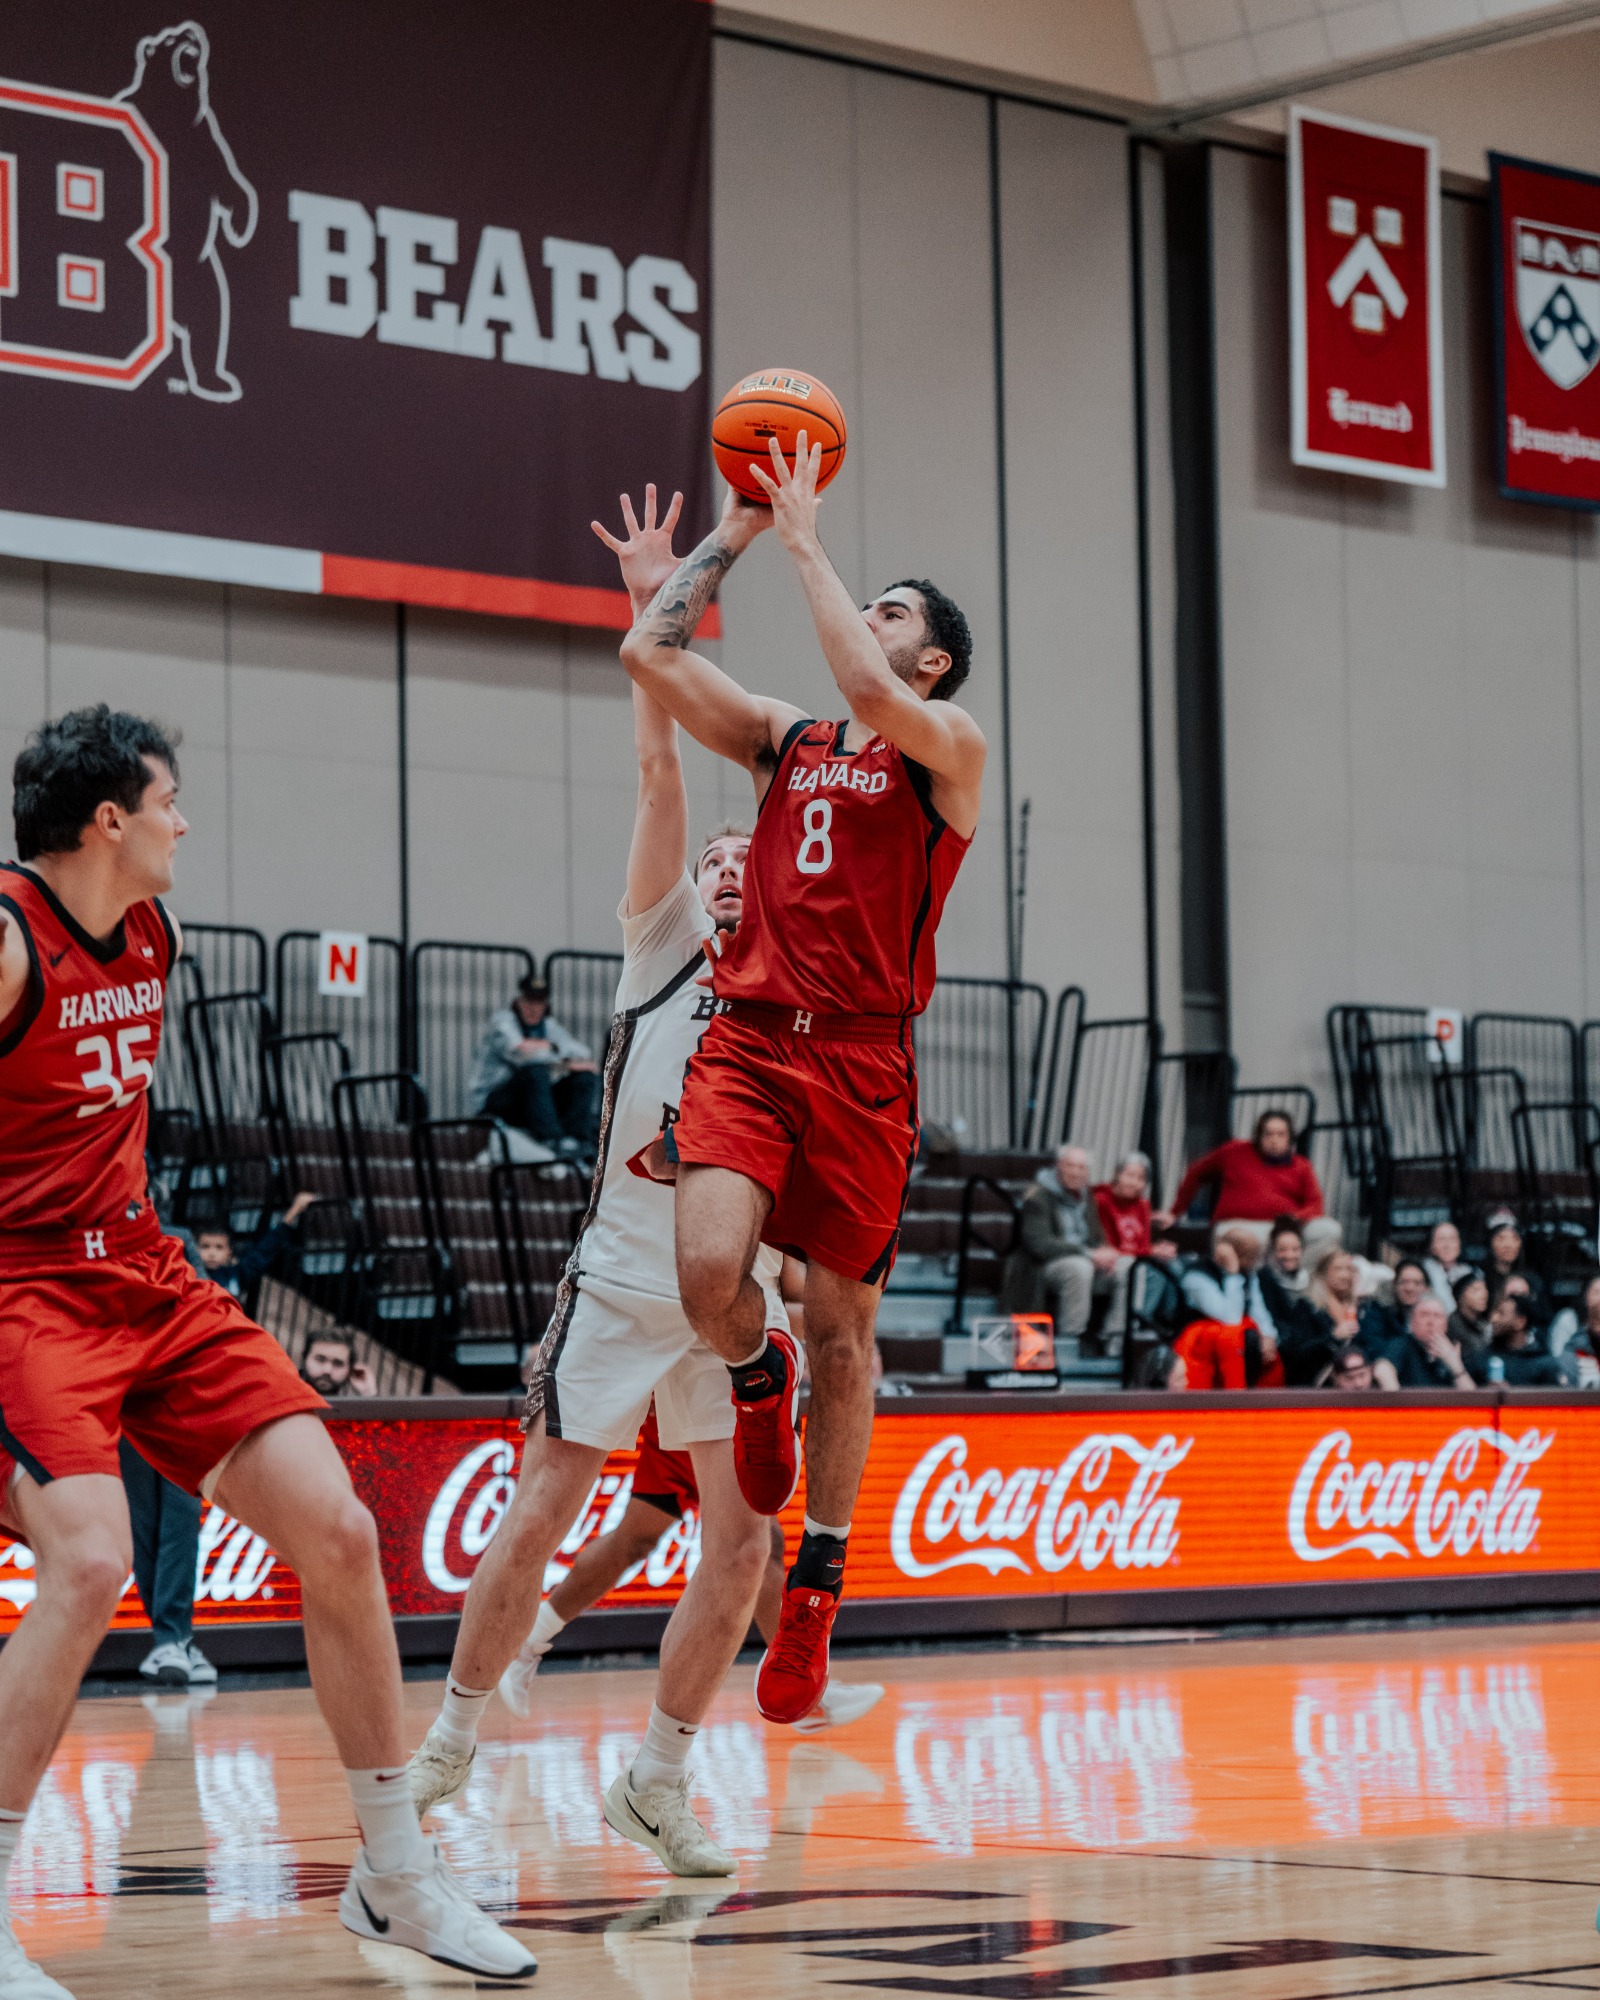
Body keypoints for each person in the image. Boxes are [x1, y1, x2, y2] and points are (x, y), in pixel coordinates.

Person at [0, 706, 532, 1991]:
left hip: (142, 1266)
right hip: (21, 1287)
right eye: (170, 798)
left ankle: (394, 1876)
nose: (188, 820)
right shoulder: (8, 939)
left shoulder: (154, 930)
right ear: (107, 819)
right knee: (88, 1567)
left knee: (342, 1533)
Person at [408, 487, 797, 1876]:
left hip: (740, 1304)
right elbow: (659, 772)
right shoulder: (665, 949)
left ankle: (658, 1778)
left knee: (742, 1542)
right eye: (715, 858)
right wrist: (652, 604)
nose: (727, 863)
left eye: (749, 856)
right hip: (631, 1275)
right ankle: (451, 1727)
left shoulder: (802, 994)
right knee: (545, 1505)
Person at [618, 440, 986, 1726]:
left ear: (930, 658)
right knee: (710, 1278)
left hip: (866, 1063)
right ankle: (753, 1377)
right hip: (759, 1038)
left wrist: (806, 538)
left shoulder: (945, 744)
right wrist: (717, 544)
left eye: (894, 612)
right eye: (864, 599)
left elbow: (866, 693)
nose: (868, 619)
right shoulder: (786, 742)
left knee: (847, 1331)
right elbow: (651, 661)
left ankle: (820, 1579)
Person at [500, 1406, 884, 1740]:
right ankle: (803, 1692)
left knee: (639, 1539)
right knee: (753, 1547)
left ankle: (530, 1642)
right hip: (708, 1403)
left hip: (707, 1403)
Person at [999, 1145, 1118, 1349]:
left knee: (1129, 1267)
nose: (1076, 1172)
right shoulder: (1038, 1197)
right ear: (1058, 1167)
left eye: (1082, 1168)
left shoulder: (1087, 1197)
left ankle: (1116, 1337)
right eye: (1070, 1166)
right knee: (1079, 1268)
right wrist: (1088, 1254)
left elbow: (1097, 1238)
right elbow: (1040, 1245)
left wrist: (1106, 1253)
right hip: (1042, 1266)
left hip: (1084, 1261)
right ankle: (1070, 1340)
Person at [467, 972, 598, 1157]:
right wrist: (560, 1057)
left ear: (545, 1005)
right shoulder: (502, 1021)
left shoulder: (548, 1026)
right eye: (529, 1001)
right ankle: (553, 1140)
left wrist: (550, 1047)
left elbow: (582, 1052)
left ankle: (576, 1141)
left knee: (584, 1077)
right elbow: (521, 1053)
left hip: (529, 1102)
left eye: (539, 1003)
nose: (534, 1008)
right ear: (519, 1001)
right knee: (534, 1072)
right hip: (493, 1102)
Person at [1157, 1110, 1329, 1249]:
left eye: (1280, 1134)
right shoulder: (1234, 1152)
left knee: (1328, 1230)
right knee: (1258, 1242)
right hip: (1239, 1225)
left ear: (1289, 1138)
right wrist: (1175, 1212)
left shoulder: (1301, 1165)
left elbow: (1315, 1205)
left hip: (1283, 1227)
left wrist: (1295, 1218)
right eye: (1268, 1134)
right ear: (1258, 1136)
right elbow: (1195, 1173)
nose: (1274, 1140)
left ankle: (1298, 1280)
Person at [120, 1437, 215, 1690]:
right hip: (126, 1410)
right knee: (144, 1523)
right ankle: (176, 1640)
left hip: (181, 1412)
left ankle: (173, 1639)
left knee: (183, 1514)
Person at [1175, 1227, 1284, 1388]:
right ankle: (1235, 1394)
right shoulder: (1197, 1276)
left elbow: (1258, 1311)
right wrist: (1232, 1273)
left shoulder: (1248, 1274)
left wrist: (1269, 1337)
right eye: (1250, 1254)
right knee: (1234, 1335)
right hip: (1201, 1340)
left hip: (1236, 1335)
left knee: (1269, 1346)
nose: (1255, 1261)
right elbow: (1230, 1317)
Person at [193, 1189, 318, 1302]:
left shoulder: (237, 1274)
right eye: (205, 1246)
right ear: (195, 1249)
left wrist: (293, 1212)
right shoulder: (190, 1276)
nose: (211, 1253)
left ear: (229, 1252)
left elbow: (265, 1250)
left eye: (219, 1247)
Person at [1385, 1294, 1482, 1389]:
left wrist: (1455, 1365)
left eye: (1437, 1316)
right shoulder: (1402, 1344)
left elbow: (1473, 1398)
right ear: (1412, 1322)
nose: (1431, 1321)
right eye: (1424, 1315)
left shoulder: (1458, 1348)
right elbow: (1383, 1369)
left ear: (1445, 1325)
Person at [1483, 1208, 1550, 1321]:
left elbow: (1544, 1316)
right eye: (1501, 1238)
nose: (1508, 1245)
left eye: (1514, 1238)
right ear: (1491, 1243)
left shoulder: (1532, 1281)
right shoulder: (1482, 1279)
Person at [1491, 1290, 1564, 1386]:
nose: (1493, 1319)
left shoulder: (1543, 1364)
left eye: (1501, 1314)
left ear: (1520, 1322)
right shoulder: (1483, 1357)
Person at [301, 1331, 378, 1399]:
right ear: (305, 1358)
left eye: (338, 1364)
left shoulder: (349, 1410)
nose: (327, 1370)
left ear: (350, 1370)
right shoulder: (288, 1393)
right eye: (320, 1359)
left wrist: (368, 1393)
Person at [1448, 1269, 1493, 1379]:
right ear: (1460, 1296)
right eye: (1476, 1290)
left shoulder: (1484, 1324)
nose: (1484, 1294)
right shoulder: (1452, 1325)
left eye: (1485, 1289)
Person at [1423, 1220, 1470, 1310]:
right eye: (1441, 1239)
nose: (1447, 1245)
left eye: (1452, 1239)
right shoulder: (1423, 1273)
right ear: (1431, 1246)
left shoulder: (1471, 1274)